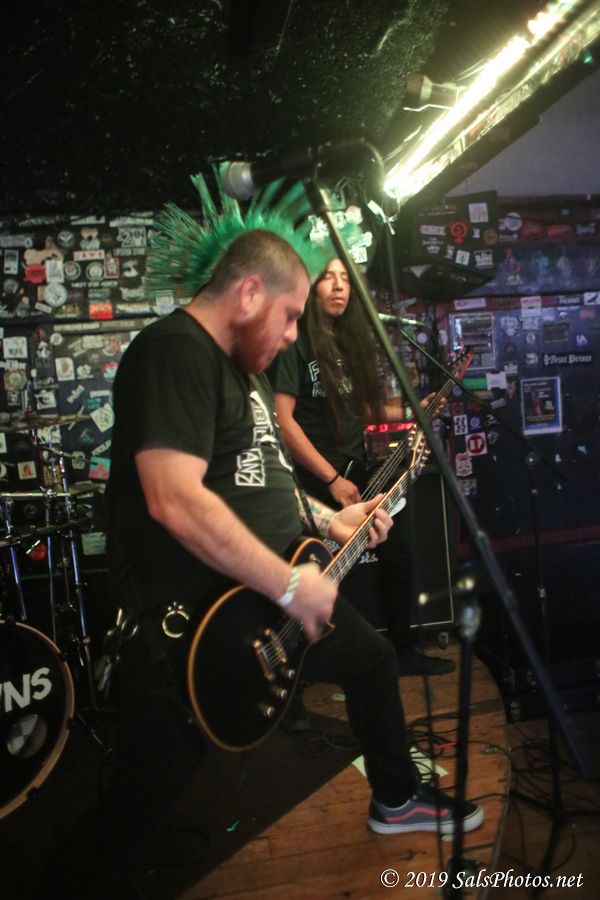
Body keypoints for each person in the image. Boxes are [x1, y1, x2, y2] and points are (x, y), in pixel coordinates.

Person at [41, 175, 482, 899]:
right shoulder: (174, 351)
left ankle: (396, 796)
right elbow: (173, 497)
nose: (292, 335)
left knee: (372, 660)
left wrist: (329, 521)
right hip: (197, 625)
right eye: (289, 315)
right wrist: (285, 583)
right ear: (249, 293)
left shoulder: (241, 372)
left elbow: (263, 480)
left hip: (270, 596)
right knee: (139, 804)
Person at [268, 257, 456, 676]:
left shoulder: (347, 343)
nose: (339, 286)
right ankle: (305, 669)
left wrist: (415, 409)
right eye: (328, 278)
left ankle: (402, 651)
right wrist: (331, 478)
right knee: (319, 572)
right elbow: (283, 420)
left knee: (398, 550)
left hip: (356, 469)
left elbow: (366, 407)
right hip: (315, 478)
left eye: (345, 279)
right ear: (310, 286)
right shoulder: (295, 342)